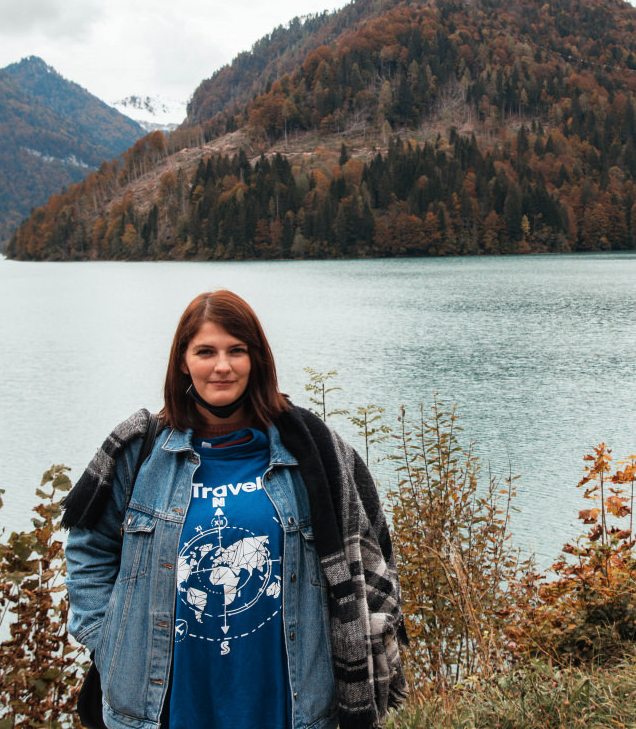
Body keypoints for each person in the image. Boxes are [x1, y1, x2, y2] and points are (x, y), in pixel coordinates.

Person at [62, 289, 406, 729]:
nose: (221, 366)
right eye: (205, 351)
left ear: (256, 360)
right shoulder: (140, 453)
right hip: (164, 705)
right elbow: (89, 549)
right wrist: (106, 640)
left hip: (287, 703)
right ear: (183, 361)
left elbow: (366, 560)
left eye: (236, 351)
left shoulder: (312, 456)